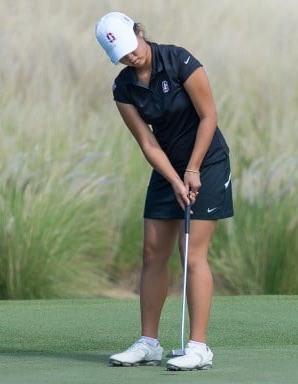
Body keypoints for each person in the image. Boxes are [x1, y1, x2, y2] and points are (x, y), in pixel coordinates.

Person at [94, 11, 233, 371]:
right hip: (167, 166)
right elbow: (148, 142)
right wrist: (174, 178)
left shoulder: (178, 60)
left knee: (191, 252)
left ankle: (199, 347)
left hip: (208, 162)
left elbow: (209, 116)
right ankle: (149, 343)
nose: (130, 56)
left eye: (131, 46)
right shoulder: (123, 88)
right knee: (153, 250)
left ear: (139, 31)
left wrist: (193, 169)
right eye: (121, 55)